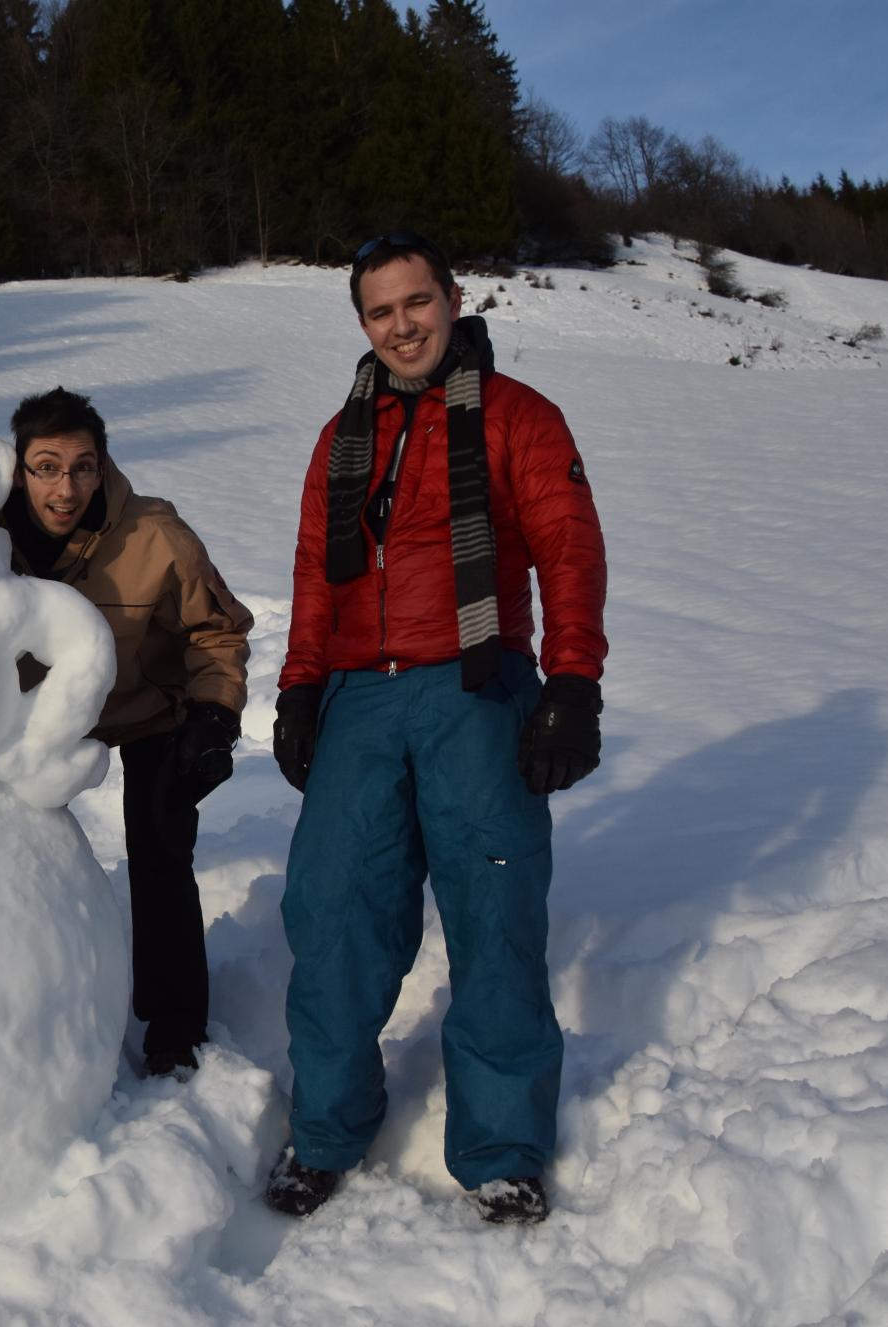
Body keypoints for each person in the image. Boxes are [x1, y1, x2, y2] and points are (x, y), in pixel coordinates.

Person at [265, 231, 608, 1225]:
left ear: (452, 299)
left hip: (474, 685)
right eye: (380, 311)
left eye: (416, 301)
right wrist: (298, 689)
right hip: (358, 697)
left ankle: (501, 1149)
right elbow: (314, 572)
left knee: (493, 912)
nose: (402, 325)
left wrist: (572, 682)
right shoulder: (342, 437)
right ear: (362, 323)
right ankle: (325, 1129)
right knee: (331, 908)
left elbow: (568, 548)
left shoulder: (516, 416)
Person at [0, 387, 254, 1077]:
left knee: (160, 845)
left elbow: (218, 630)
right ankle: (22, 1003)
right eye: (47, 467)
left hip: (148, 708)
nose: (66, 488)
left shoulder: (155, 534)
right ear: (18, 468)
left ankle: (174, 1026)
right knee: (8, 849)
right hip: (32, 718)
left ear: (103, 464)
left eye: (83, 467)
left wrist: (215, 714)